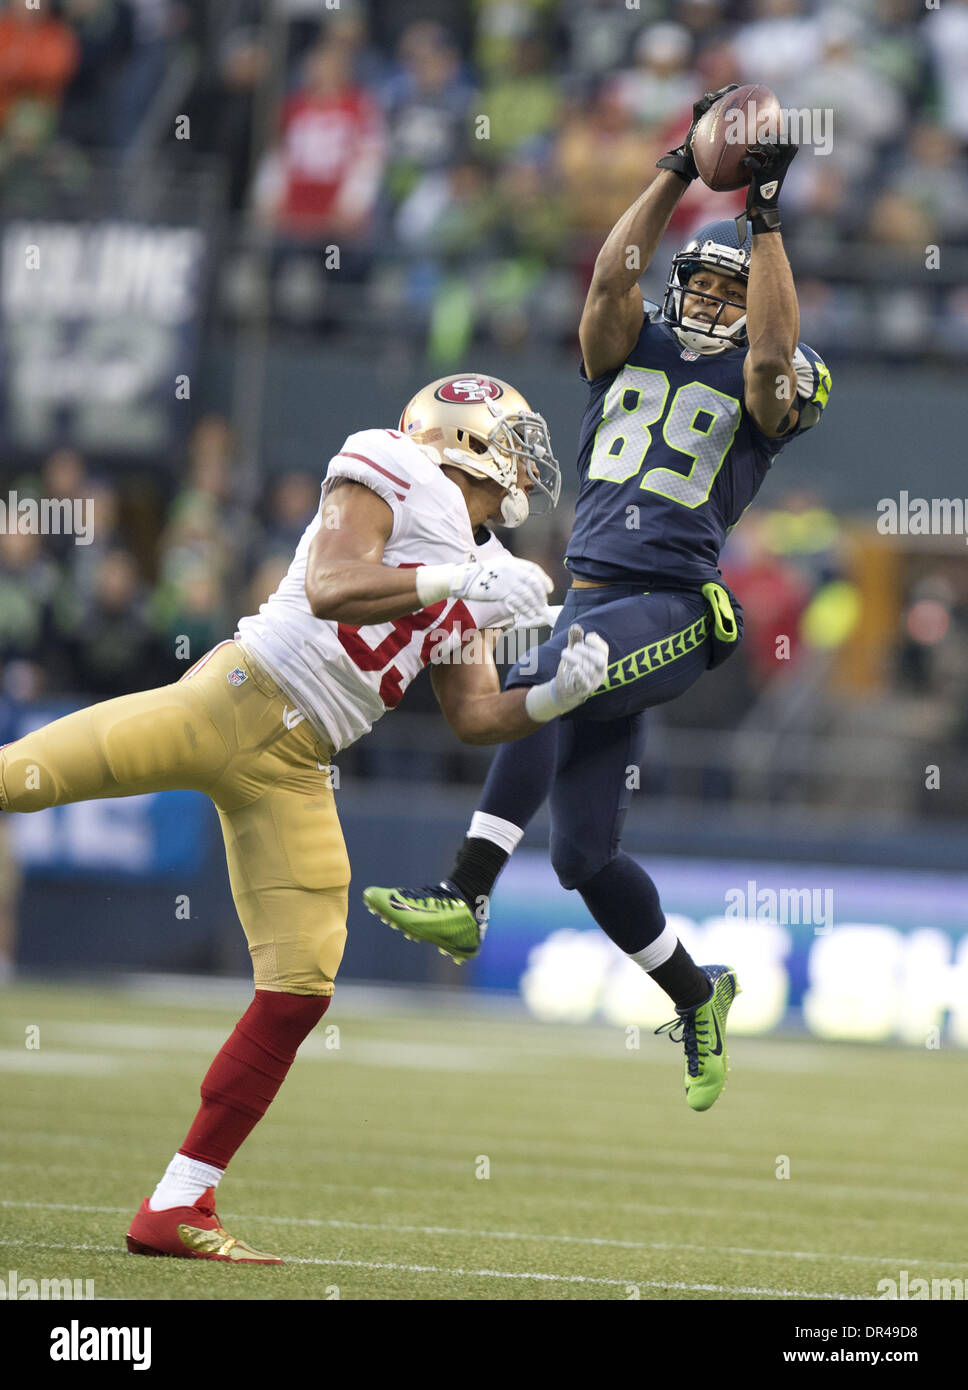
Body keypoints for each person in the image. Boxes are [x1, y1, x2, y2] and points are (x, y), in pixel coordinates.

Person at [0, 374, 609, 1263]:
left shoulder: (486, 569)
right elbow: (330, 585)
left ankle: (178, 1205)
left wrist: (556, 695)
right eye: (512, 437)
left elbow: (476, 716)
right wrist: (462, 575)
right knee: (19, 778)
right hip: (239, 698)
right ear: (465, 437)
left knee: (300, 988)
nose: (525, 462)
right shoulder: (393, 465)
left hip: (301, 766)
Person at [364, 87, 832, 1115]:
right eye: (701, 288)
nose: (712, 304)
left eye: (731, 291)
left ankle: (464, 891)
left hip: (670, 607)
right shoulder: (629, 344)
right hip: (595, 592)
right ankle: (695, 990)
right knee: (583, 854)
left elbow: (765, 359)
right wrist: (673, 164)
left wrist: (760, 219)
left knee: (543, 669)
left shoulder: (774, 378)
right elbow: (604, 293)